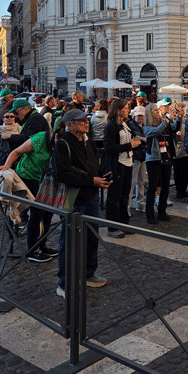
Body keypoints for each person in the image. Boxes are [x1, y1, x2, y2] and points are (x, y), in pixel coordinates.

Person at [55, 109, 112, 297]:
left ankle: (88, 273)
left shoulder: (89, 142)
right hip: (74, 200)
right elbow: (61, 174)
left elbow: (94, 166)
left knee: (92, 237)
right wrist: (91, 180)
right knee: (69, 241)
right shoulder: (63, 143)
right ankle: (64, 282)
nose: (86, 122)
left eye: (86, 119)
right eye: (81, 120)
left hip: (91, 197)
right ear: (70, 125)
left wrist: (103, 176)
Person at [0, 129, 57, 262]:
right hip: (28, 176)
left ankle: (42, 244)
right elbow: (17, 152)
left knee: (48, 212)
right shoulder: (40, 138)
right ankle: (32, 250)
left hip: (46, 178)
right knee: (37, 212)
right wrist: (5, 166)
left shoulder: (60, 142)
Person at [104, 99, 142, 236]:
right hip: (117, 164)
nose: (128, 110)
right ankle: (112, 227)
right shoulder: (111, 126)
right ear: (118, 111)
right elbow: (109, 148)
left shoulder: (126, 124)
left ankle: (124, 224)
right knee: (114, 196)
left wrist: (136, 142)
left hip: (128, 162)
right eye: (125, 108)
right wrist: (129, 145)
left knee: (125, 195)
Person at [144, 101, 180, 223]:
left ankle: (162, 212)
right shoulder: (147, 125)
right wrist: (167, 120)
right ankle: (150, 214)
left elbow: (174, 129)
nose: (157, 112)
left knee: (165, 186)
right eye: (155, 110)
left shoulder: (164, 122)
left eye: (157, 109)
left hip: (166, 157)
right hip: (154, 158)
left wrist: (178, 117)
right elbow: (156, 131)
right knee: (153, 187)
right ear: (150, 113)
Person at [128, 105, 147, 213]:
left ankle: (140, 203)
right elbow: (135, 137)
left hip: (143, 154)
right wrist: (143, 138)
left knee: (141, 181)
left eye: (142, 115)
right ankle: (128, 205)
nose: (140, 117)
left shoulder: (143, 125)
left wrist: (142, 138)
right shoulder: (131, 125)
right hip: (135, 155)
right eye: (139, 115)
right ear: (134, 115)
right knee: (132, 181)